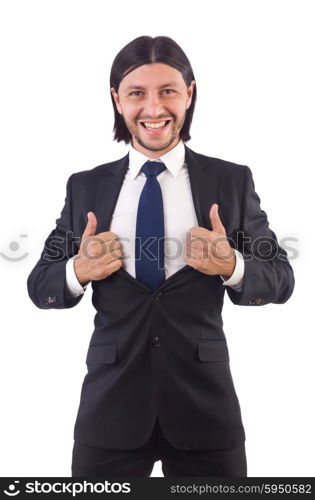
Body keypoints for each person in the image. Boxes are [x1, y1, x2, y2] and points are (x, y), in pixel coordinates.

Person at [27, 35, 295, 477]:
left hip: (205, 412)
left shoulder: (230, 181)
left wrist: (232, 266)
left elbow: (282, 278)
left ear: (190, 93)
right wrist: (78, 269)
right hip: (109, 412)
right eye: (137, 93)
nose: (154, 109)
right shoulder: (85, 186)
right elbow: (41, 286)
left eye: (168, 90)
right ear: (117, 100)